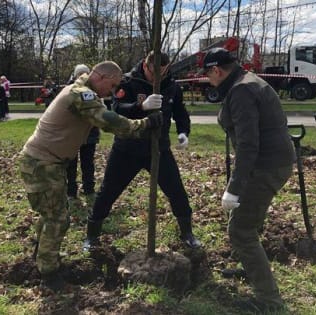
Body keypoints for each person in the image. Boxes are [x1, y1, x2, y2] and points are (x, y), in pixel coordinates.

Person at [18, 61, 163, 292]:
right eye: (113, 85)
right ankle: (49, 274)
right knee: (57, 218)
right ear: (102, 77)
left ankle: (44, 256)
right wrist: (144, 124)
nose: (113, 92)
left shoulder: (81, 89)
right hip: (42, 163)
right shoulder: (80, 94)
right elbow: (107, 121)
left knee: (50, 213)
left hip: (46, 162)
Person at [200, 47, 295, 313]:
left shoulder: (242, 90)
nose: (208, 80)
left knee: (240, 230)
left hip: (264, 165)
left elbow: (248, 145)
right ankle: (251, 268)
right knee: (248, 220)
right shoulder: (246, 81)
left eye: (208, 75)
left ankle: (269, 301)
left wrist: (234, 188)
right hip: (273, 161)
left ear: (216, 71)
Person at [83, 51, 201, 251]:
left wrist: (183, 132)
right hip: (127, 147)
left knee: (176, 191)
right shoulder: (128, 82)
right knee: (108, 192)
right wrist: (140, 105)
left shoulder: (171, 85)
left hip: (159, 148)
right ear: (146, 66)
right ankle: (92, 235)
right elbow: (117, 109)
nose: (159, 78)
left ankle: (187, 232)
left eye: (163, 73)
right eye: (155, 73)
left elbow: (180, 112)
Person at [65, 64, 100, 206]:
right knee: (70, 165)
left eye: (86, 73)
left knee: (88, 163)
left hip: (90, 134)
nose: (83, 76)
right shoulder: (69, 91)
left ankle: (89, 189)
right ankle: (71, 191)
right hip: (72, 135)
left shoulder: (94, 91)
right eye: (80, 74)